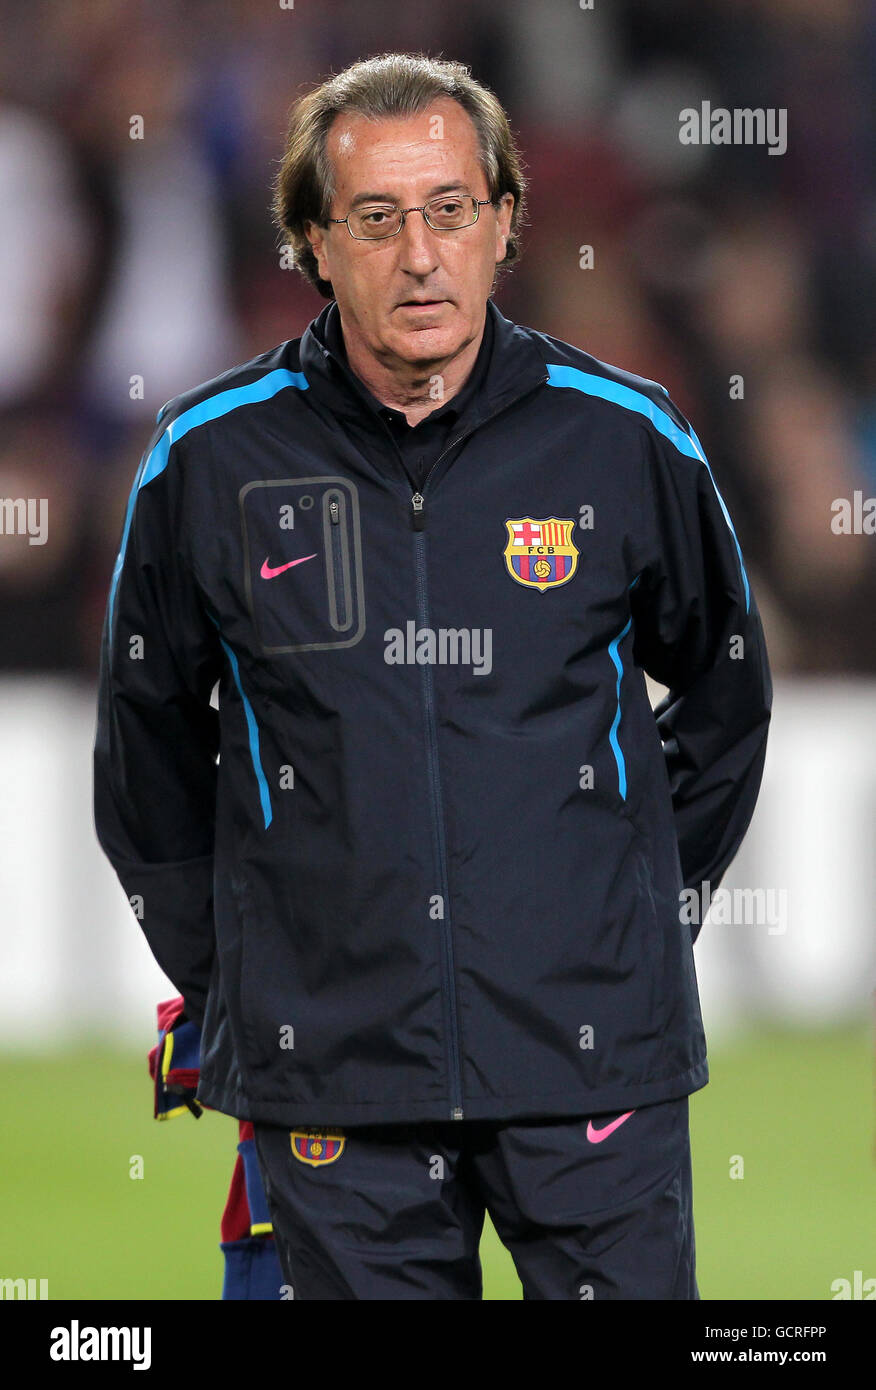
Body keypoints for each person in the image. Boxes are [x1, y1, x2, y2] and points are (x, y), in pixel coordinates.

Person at [93, 52, 772, 1300]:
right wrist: (250, 976)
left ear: (505, 223)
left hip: (592, 1063)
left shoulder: (624, 436)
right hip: (334, 1083)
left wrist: (619, 914)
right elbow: (142, 755)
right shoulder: (207, 459)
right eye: (377, 217)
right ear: (313, 240)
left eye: (452, 210)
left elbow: (728, 695)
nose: (420, 253)